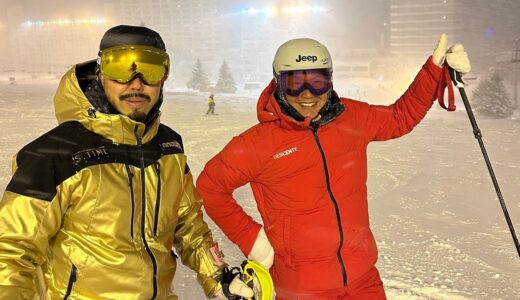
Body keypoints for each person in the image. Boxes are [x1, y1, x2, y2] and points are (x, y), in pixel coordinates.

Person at [197, 35, 471, 299]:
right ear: (278, 84)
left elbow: (400, 117)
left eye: (317, 81)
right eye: (295, 83)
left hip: (363, 280)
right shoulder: (258, 144)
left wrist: (435, 72)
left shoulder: (351, 118)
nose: (307, 95)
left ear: (329, 81)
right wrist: (252, 238)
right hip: (301, 288)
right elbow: (210, 187)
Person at [0, 25, 256, 300]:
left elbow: (188, 227)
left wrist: (219, 279)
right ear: (100, 73)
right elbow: (11, 253)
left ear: (164, 78)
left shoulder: (168, 147)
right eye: (120, 68)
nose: (136, 83)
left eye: (151, 69)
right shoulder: (53, 153)